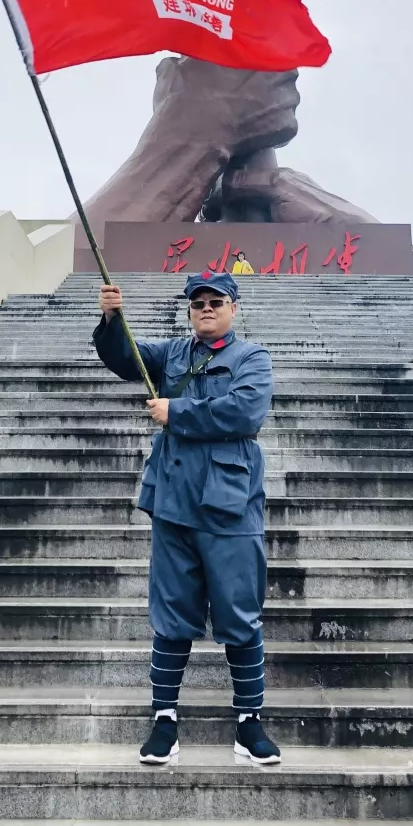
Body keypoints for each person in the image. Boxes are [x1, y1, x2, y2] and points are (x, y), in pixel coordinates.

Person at [93, 270, 281, 768]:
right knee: (172, 613)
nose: (205, 308)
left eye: (215, 301)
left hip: (229, 502)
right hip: (173, 499)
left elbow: (245, 413)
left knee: (239, 611)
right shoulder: (172, 353)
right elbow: (123, 357)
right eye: (197, 302)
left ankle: (248, 723)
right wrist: (113, 317)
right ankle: (164, 720)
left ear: (233, 308)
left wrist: (177, 411)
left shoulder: (252, 359)